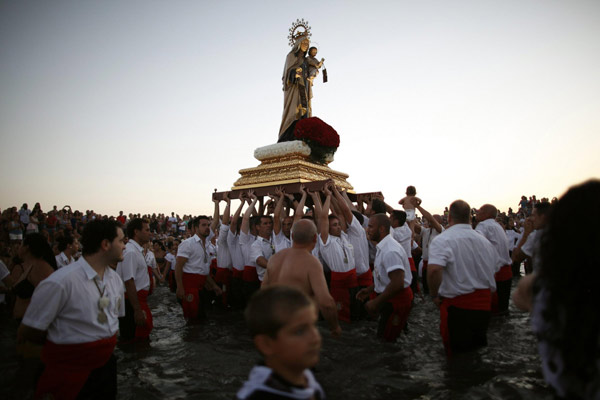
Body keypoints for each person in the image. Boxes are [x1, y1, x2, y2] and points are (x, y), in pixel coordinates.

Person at [17, 219, 126, 400]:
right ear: (106, 244)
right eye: (121, 241)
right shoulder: (60, 282)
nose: (124, 245)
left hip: (105, 367)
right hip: (69, 372)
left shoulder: (114, 279)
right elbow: (28, 331)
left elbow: (115, 318)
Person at [512, 179, 600, 399]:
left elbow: (517, 268)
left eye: (533, 214)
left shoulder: (548, 295)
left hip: (557, 299)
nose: (530, 218)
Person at [427, 200, 499, 355]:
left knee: (455, 356)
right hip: (484, 305)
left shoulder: (443, 239)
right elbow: (494, 270)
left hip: (457, 305)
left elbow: (433, 271)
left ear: (449, 218)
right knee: (477, 352)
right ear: (469, 217)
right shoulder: (485, 242)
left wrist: (434, 294)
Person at [236, 285, 326, 400]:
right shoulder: (256, 395)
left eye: (314, 325)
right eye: (299, 331)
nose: (316, 338)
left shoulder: (308, 381)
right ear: (266, 344)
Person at [262, 219, 341, 337]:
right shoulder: (311, 262)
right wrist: (334, 327)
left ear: (292, 236)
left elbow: (263, 293)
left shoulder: (275, 259)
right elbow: (326, 303)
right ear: (315, 238)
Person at [357, 213, 413, 342]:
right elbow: (384, 276)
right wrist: (371, 289)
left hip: (396, 300)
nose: (367, 230)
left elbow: (397, 282)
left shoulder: (390, 250)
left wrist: (376, 302)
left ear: (381, 229)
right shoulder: (383, 247)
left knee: (388, 340)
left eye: (371, 227)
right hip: (391, 298)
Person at [174, 216, 222, 321]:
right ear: (196, 228)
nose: (207, 228)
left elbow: (203, 270)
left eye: (208, 225)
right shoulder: (188, 244)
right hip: (189, 287)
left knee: (202, 318)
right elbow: (178, 267)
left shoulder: (207, 245)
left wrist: (214, 286)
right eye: (203, 225)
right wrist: (179, 287)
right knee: (193, 319)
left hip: (202, 287)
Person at [116, 218, 152, 343]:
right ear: (136, 232)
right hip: (132, 303)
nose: (150, 233)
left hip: (135, 300)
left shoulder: (135, 250)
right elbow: (129, 281)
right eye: (147, 230)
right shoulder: (131, 252)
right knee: (133, 339)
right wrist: (137, 310)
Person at [475, 204, 513, 315]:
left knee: (492, 312)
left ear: (486, 214)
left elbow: (476, 242)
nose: (477, 212)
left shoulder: (483, 225)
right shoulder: (498, 226)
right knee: (503, 310)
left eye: (479, 210)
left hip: (495, 273)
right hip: (506, 272)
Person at [12, 233, 56, 320]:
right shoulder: (28, 265)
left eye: (21, 244)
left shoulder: (40, 267)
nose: (18, 247)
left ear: (26, 248)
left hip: (32, 322)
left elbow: (47, 299)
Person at [278, 35, 312, 142]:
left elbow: (310, 72)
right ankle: (289, 134)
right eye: (304, 43)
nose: (306, 46)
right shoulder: (291, 56)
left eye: (307, 44)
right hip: (294, 88)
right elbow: (286, 75)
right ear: (298, 44)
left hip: (304, 87)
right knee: (294, 110)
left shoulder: (306, 60)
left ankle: (302, 133)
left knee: (304, 110)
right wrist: (294, 73)